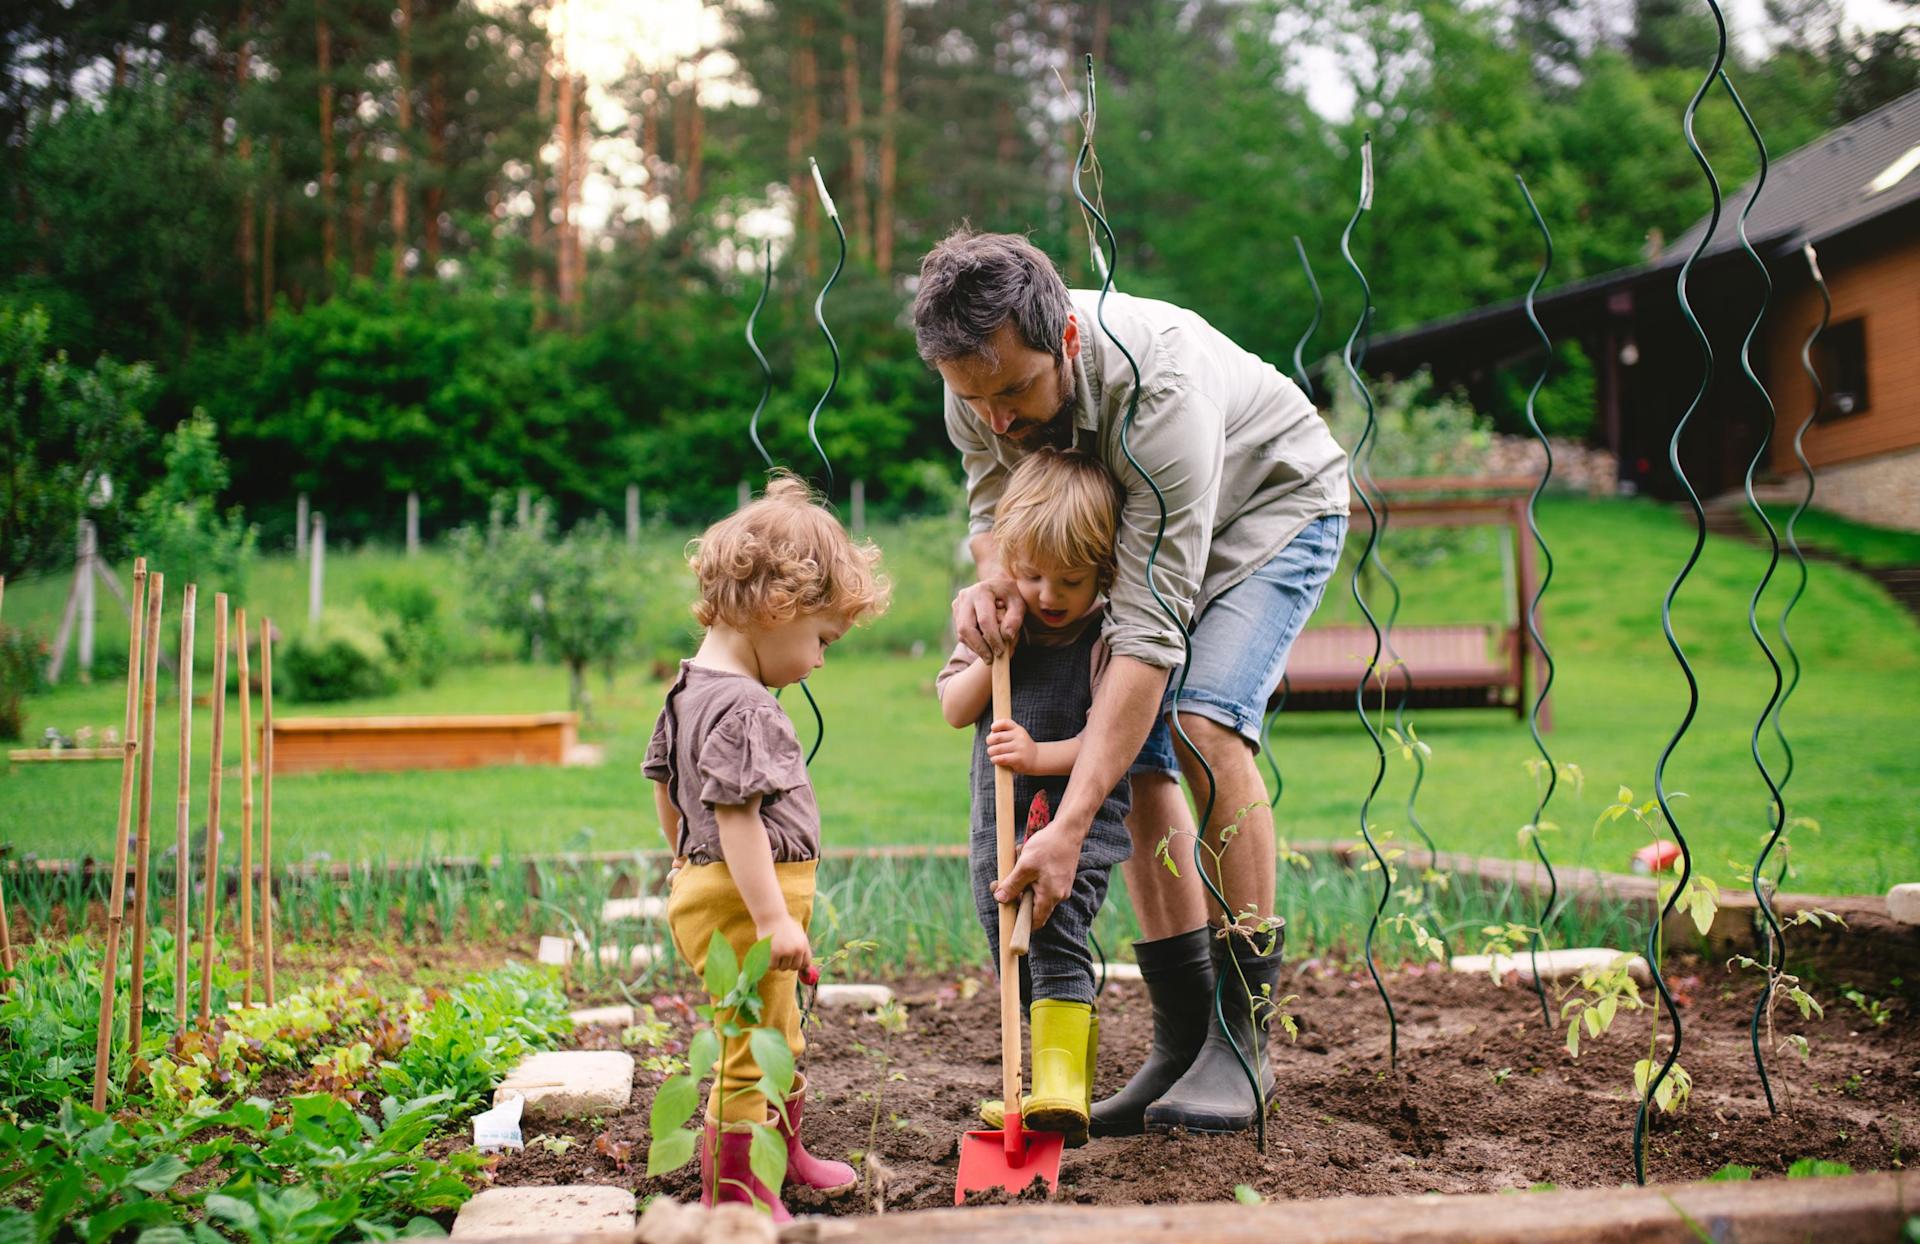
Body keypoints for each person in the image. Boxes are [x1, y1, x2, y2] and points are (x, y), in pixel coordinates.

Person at [913, 229, 1349, 1135]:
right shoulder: (981, 390)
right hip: (1128, 537)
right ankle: (1182, 1041)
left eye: (1015, 391)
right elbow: (993, 507)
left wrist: (1069, 826)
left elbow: (1150, 635)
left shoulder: (1161, 397)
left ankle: (1243, 1033)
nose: (996, 417)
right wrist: (991, 584)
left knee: (1199, 726)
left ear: (1065, 340)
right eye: (972, 398)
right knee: (1143, 759)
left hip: (1271, 508)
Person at [643, 474, 890, 1219]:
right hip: (750, 903)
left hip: (716, 887)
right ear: (777, 607)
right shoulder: (746, 706)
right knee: (749, 1047)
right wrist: (773, 917)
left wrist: (680, 854)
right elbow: (739, 816)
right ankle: (740, 1195)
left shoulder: (689, 689)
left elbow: (663, 781)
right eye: (821, 640)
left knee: (774, 1030)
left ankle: (785, 1155)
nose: (818, 661)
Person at [936, 447, 1131, 1145]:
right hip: (1000, 819)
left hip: (1074, 817)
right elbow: (955, 708)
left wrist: (1039, 755)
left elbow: (1115, 735)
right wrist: (995, 654)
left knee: (1056, 929)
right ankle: (1051, 1083)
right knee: (1006, 937)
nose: (1049, 595)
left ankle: (1058, 1088)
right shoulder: (998, 622)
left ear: (1103, 571)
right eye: (1032, 575)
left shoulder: (1109, 637)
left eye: (1071, 581)